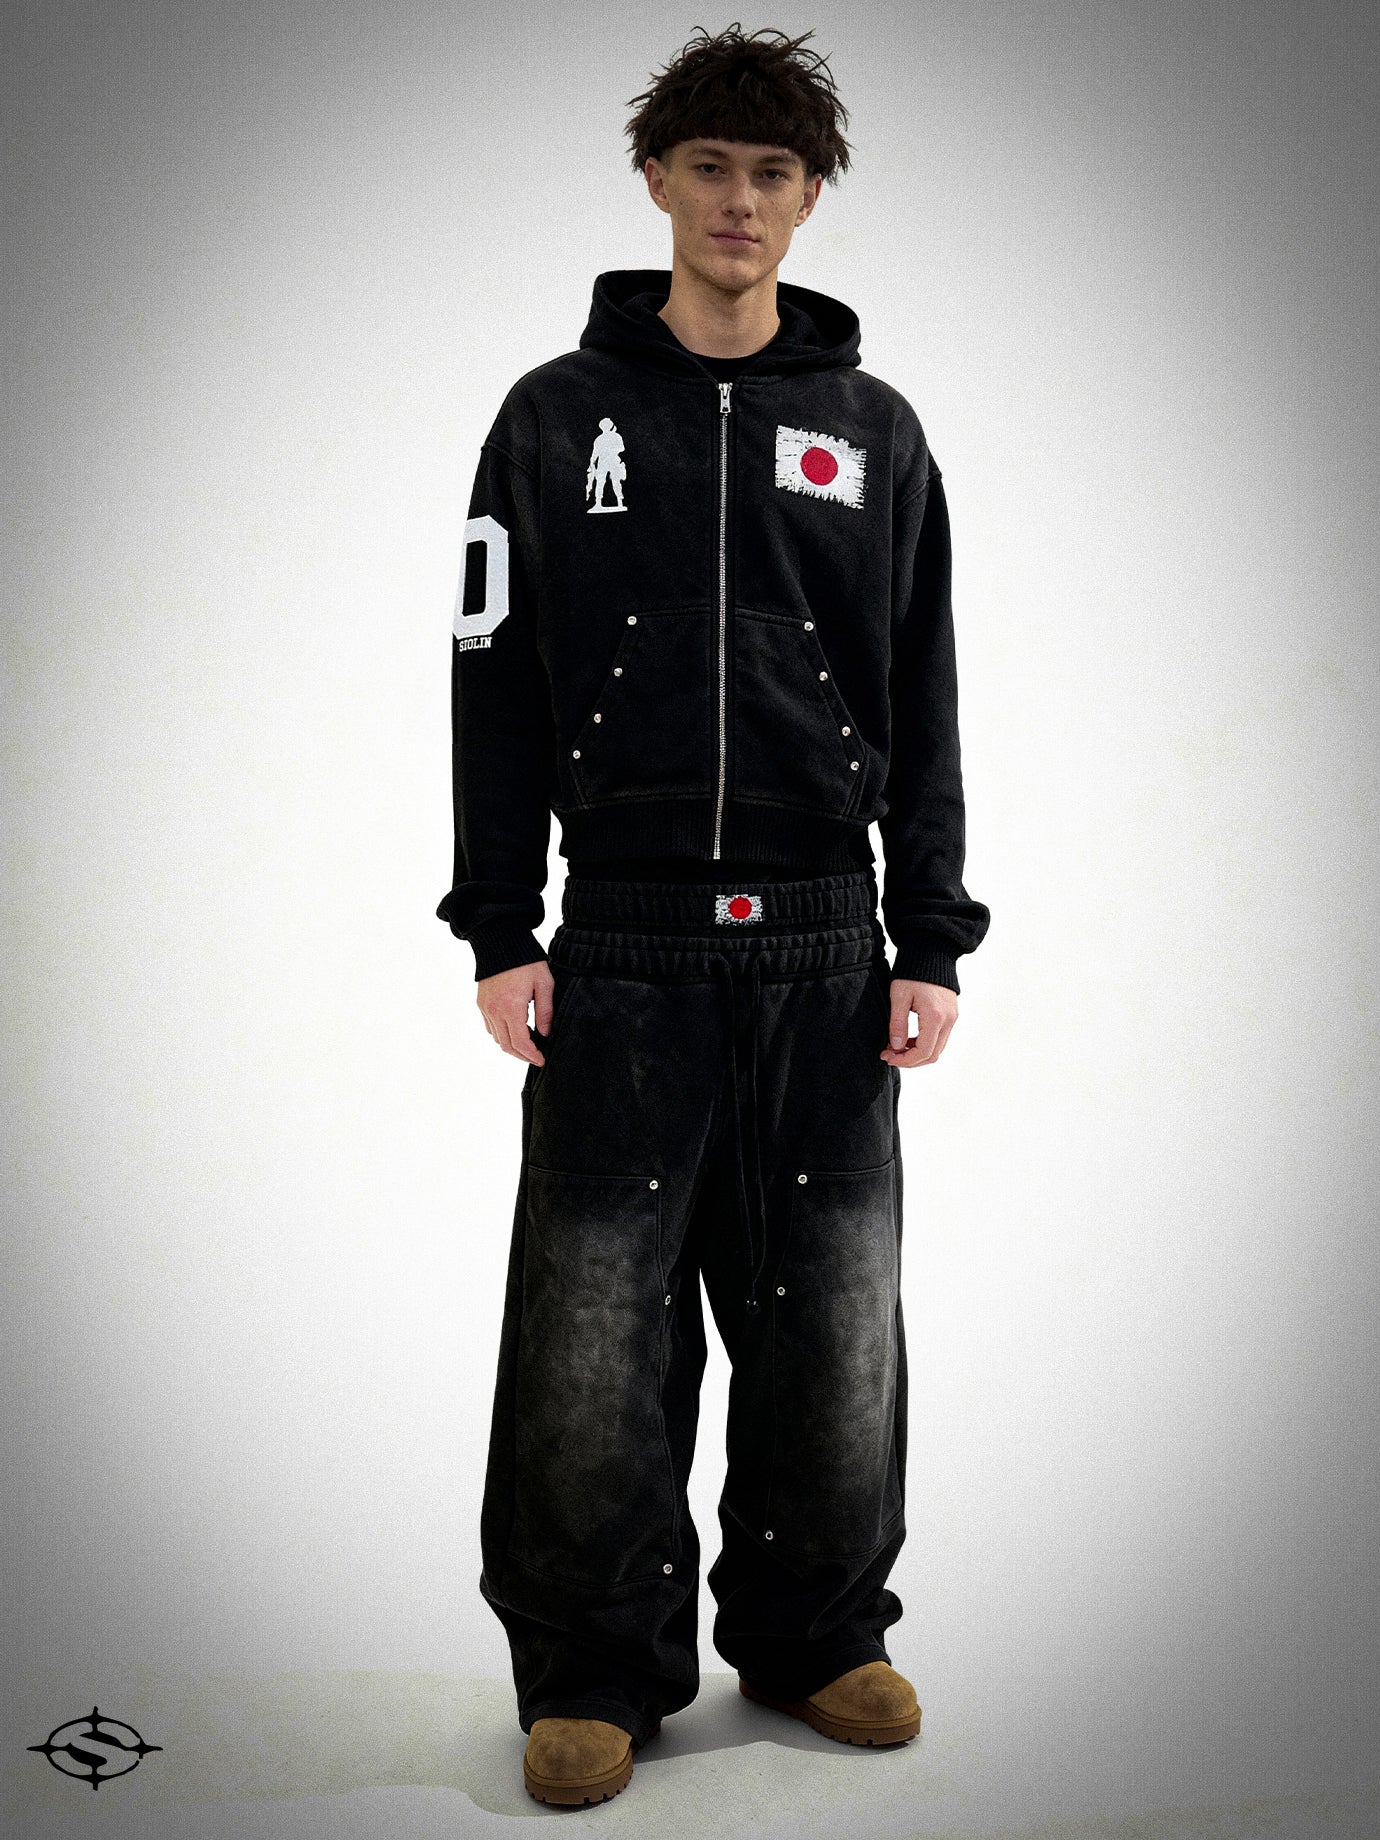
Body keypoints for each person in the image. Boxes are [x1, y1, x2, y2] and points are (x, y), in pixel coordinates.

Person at [436, 23, 991, 1807]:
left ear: (810, 198)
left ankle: (819, 1636)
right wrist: (501, 923)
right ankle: (592, 1669)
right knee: (592, 1334)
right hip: (626, 948)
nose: (739, 202)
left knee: (833, 1323)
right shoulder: (554, 418)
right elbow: (493, 680)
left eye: (773, 173)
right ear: (656, 182)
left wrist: (929, 937)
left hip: (828, 948)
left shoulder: (875, 432)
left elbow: (925, 690)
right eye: (710, 168)